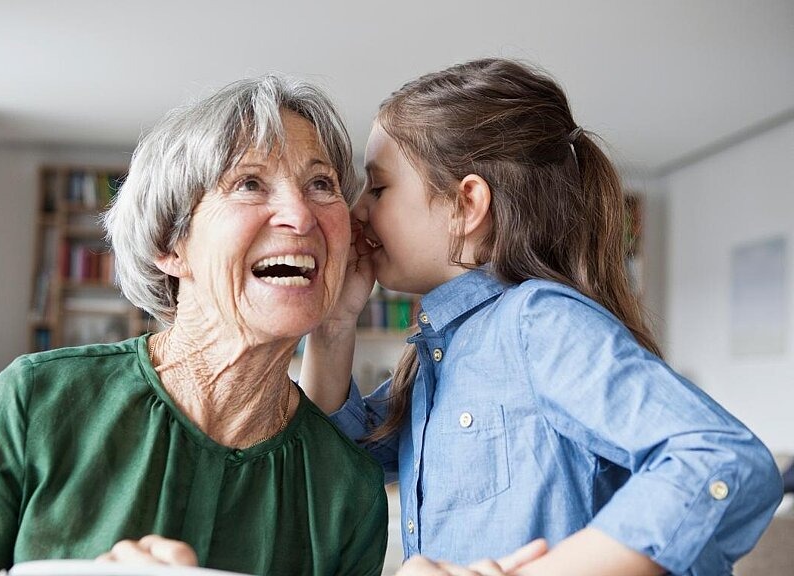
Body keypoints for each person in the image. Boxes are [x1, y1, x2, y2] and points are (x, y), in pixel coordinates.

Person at [300, 58, 783, 575]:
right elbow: (337, 465)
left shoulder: (536, 323)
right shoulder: (437, 357)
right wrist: (332, 326)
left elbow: (718, 459)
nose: (356, 213)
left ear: (466, 205)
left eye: (377, 188)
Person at [0, 74, 389, 575]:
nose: (301, 216)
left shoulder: (348, 489)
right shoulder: (34, 401)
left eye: (321, 185)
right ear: (170, 244)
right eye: (249, 183)